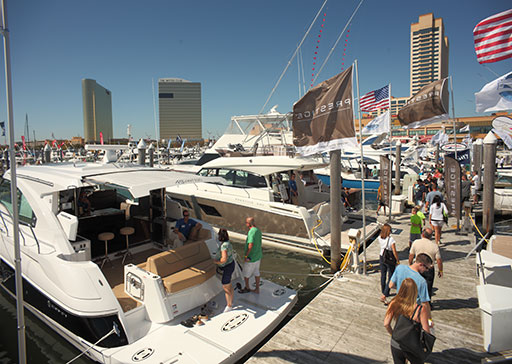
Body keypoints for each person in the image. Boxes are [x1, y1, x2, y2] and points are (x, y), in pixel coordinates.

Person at [384, 278, 431, 364]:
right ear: (414, 291)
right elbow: (426, 331)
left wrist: (393, 334)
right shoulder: (420, 309)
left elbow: (386, 324)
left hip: (396, 342)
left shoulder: (394, 302)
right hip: (412, 344)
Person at [409, 228, 443, 304]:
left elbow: (411, 255)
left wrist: (410, 264)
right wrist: (440, 270)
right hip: (428, 269)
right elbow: (439, 260)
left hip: (417, 267)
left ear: (422, 234)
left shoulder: (416, 242)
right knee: (428, 287)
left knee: (415, 286)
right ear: (431, 236)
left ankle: (415, 302)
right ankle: (427, 304)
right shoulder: (434, 246)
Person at [213, 229, 235, 312]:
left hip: (226, 268)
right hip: (231, 265)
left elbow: (223, 260)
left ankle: (229, 306)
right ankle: (231, 302)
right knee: (229, 285)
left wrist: (215, 261)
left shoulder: (224, 247)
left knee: (226, 288)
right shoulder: (228, 243)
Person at [379, 224, 399, 305]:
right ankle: (385, 293)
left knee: (383, 275)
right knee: (391, 276)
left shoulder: (379, 237)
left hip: (381, 256)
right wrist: (397, 260)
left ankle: (383, 290)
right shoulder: (391, 240)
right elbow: (394, 251)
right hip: (389, 258)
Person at [241, 217, 262, 294]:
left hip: (251, 258)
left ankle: (247, 287)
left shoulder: (251, 232)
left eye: (246, 222)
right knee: (257, 272)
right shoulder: (258, 230)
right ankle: (257, 289)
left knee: (246, 275)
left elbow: (250, 244)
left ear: (248, 224)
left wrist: (246, 256)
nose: (245, 224)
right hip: (258, 256)